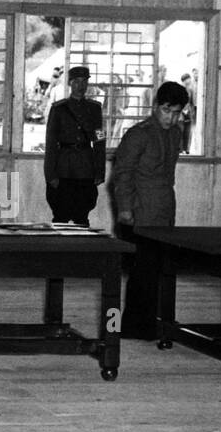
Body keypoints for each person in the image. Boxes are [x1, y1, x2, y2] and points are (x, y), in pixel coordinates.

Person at [110, 82, 189, 339]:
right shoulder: (138, 134)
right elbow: (122, 175)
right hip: (139, 213)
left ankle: (150, 323)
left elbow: (168, 176)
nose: (171, 117)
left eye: (176, 112)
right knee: (141, 273)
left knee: (157, 271)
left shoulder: (175, 134)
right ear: (156, 107)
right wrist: (124, 211)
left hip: (163, 212)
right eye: (167, 111)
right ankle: (129, 326)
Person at [44, 65, 106, 226]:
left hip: (86, 168)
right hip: (63, 167)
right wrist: (50, 174)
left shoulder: (95, 109)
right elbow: (50, 143)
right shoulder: (59, 108)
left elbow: (100, 139)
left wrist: (100, 170)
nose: (81, 86)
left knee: (82, 217)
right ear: (70, 83)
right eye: (77, 81)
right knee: (60, 217)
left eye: (84, 81)